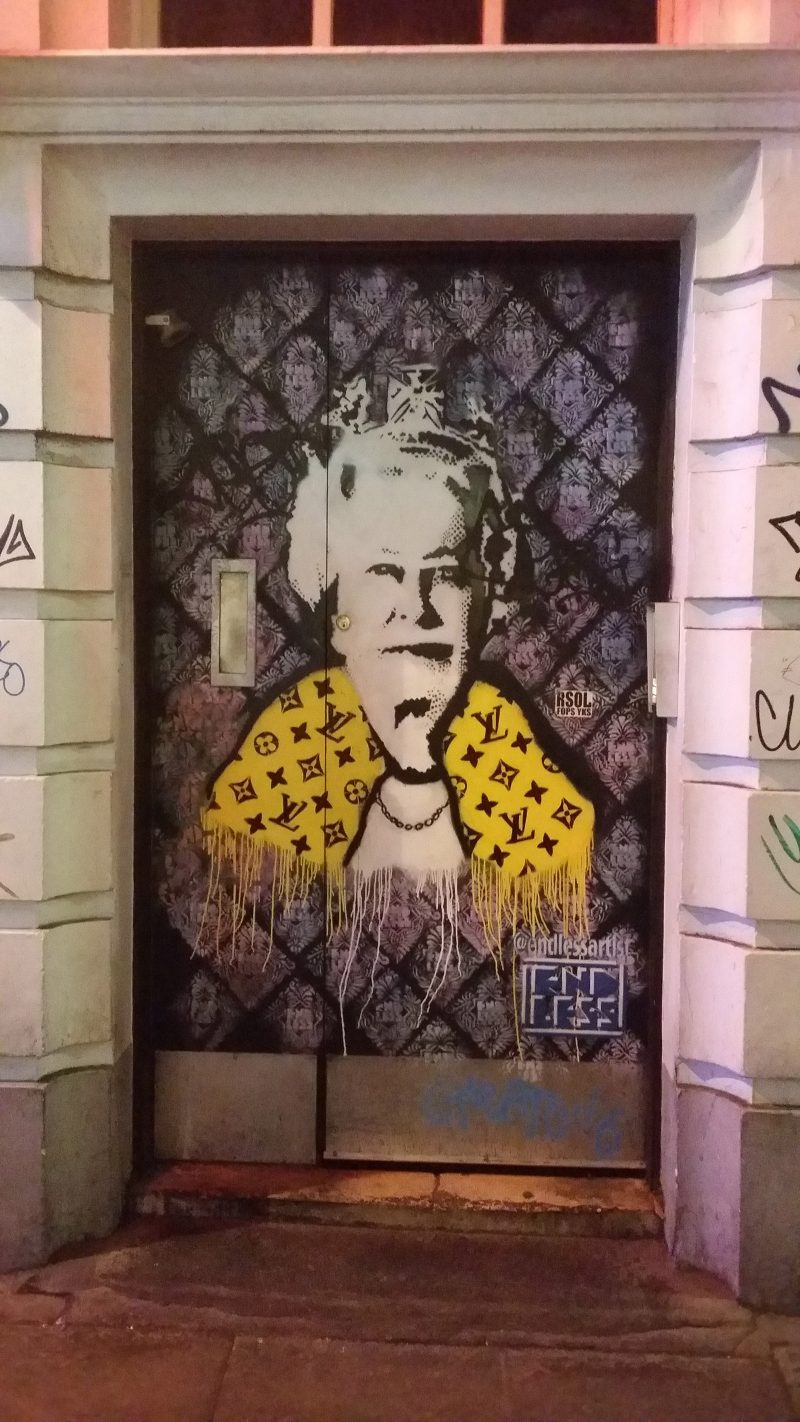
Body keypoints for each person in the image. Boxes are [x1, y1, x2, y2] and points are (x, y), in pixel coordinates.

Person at [199, 371, 594, 985]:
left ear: (483, 610)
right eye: (385, 571)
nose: (417, 607)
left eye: (447, 574)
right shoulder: (282, 756)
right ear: (334, 609)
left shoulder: (525, 778)